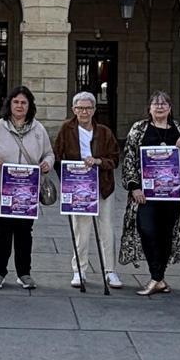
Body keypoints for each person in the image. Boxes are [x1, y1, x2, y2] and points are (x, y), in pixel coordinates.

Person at [118, 91, 180, 295]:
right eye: (155, 104)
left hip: (173, 195)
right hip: (145, 194)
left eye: (164, 103)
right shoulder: (139, 128)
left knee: (166, 235)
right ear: (149, 108)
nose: (160, 107)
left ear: (170, 108)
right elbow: (129, 157)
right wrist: (134, 186)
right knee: (146, 230)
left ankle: (158, 278)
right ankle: (157, 277)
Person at [0, 85, 55, 290]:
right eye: (16, 102)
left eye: (24, 102)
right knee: (2, 230)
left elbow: (49, 153)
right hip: (1, 187)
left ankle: (24, 272)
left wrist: (48, 164)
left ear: (29, 106)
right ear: (9, 104)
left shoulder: (38, 129)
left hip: (28, 188)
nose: (20, 106)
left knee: (24, 231)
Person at [54, 91, 123, 290]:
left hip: (102, 185)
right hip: (77, 186)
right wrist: (67, 179)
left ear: (94, 110)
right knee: (81, 230)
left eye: (88, 108)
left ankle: (110, 271)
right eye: (80, 108)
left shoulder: (104, 131)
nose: (84, 112)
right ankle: (79, 269)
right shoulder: (66, 129)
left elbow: (115, 159)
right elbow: (57, 156)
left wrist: (99, 161)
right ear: (74, 110)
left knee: (107, 229)